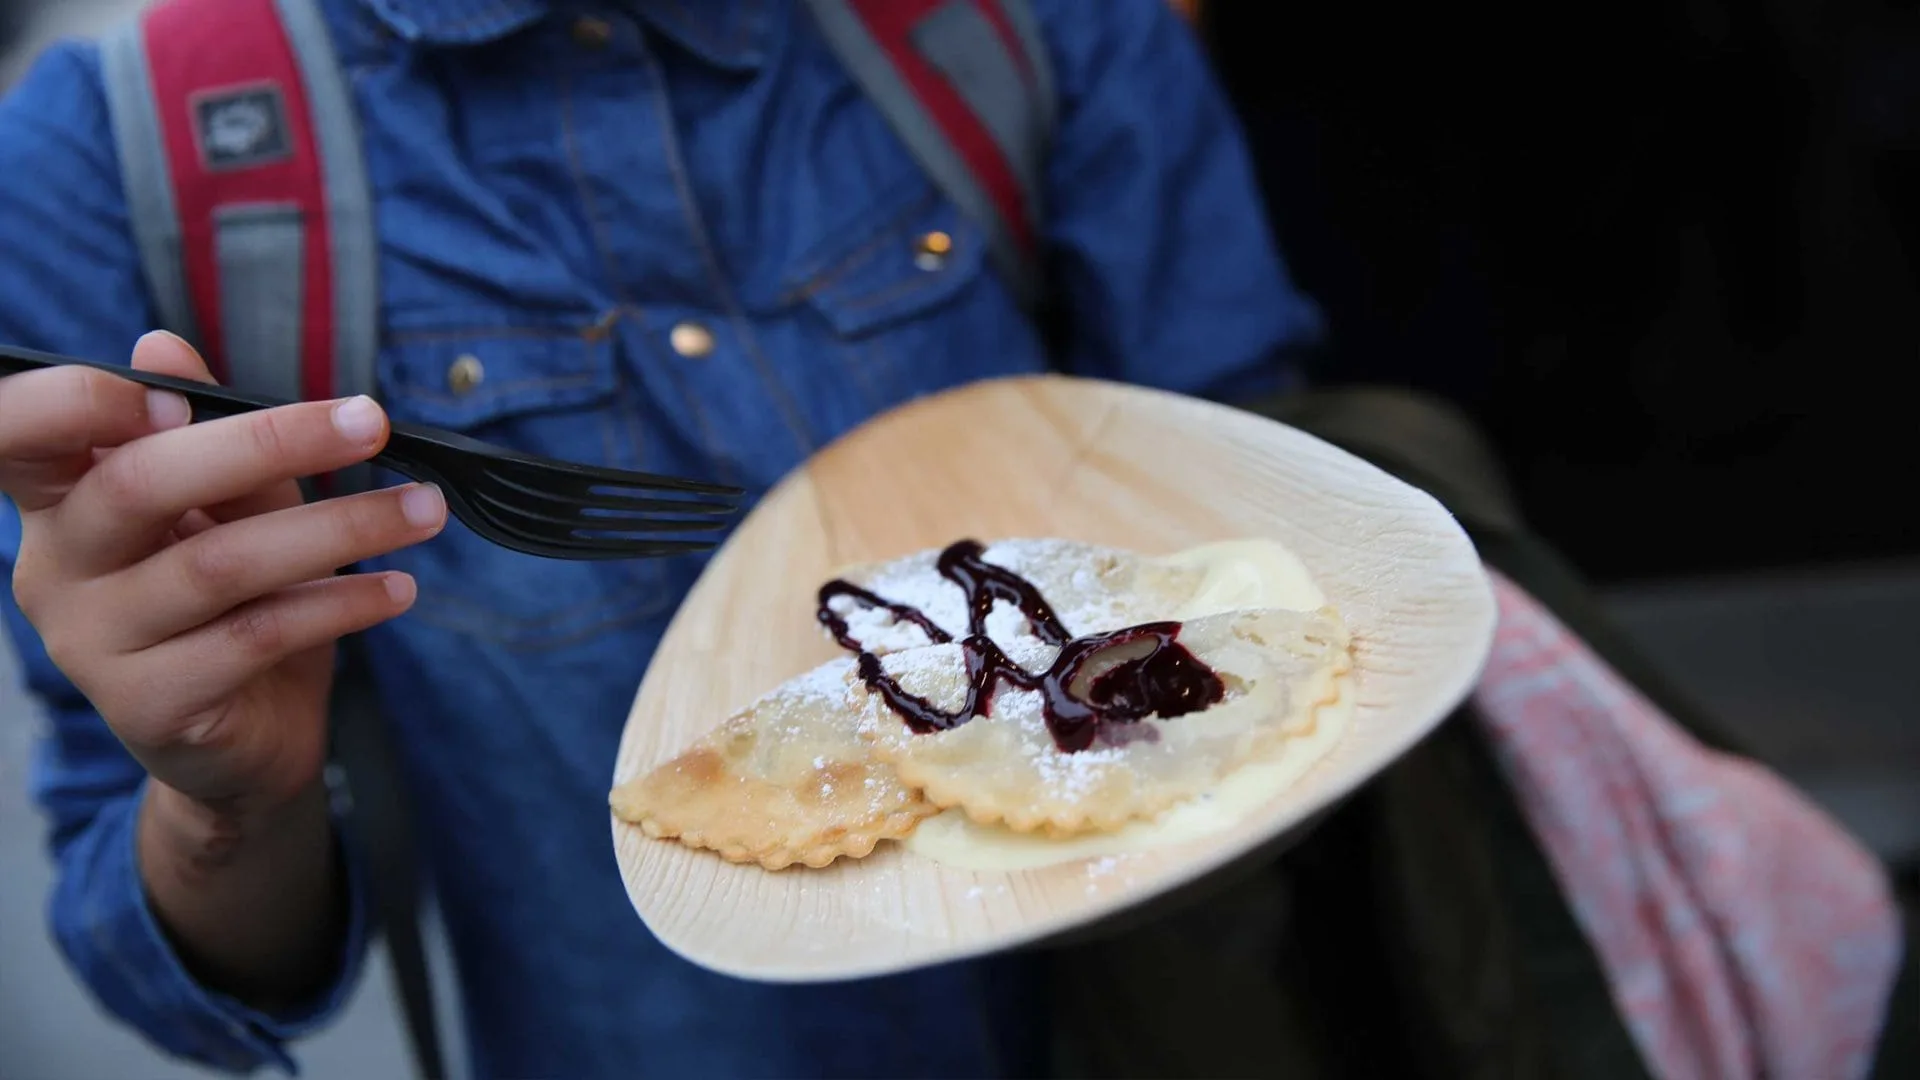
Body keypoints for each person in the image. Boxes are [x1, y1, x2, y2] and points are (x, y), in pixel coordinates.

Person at [0, 0, 1323, 1075]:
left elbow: (1279, 564)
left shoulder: (1022, 30)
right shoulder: (117, 161)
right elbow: (161, 965)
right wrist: (232, 803)